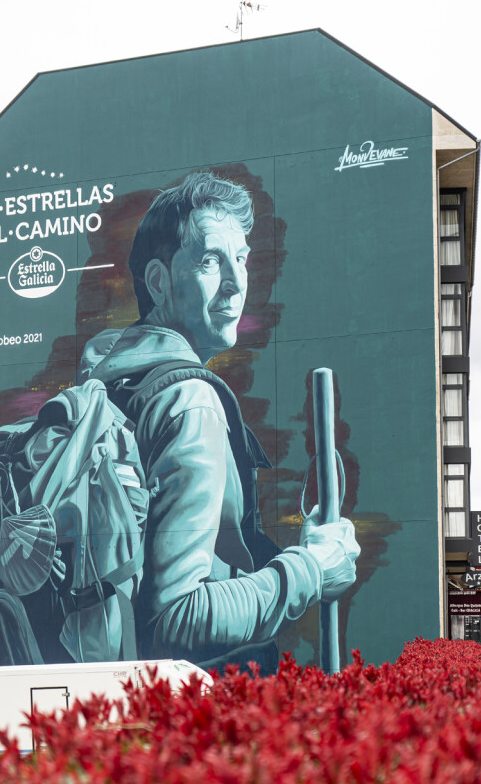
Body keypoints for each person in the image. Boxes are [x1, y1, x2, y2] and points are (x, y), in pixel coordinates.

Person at [80, 171, 360, 672]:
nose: (235, 284)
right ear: (160, 282)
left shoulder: (106, 384)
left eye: (242, 260)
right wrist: (313, 569)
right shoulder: (189, 404)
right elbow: (178, 618)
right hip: (192, 720)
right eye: (211, 261)